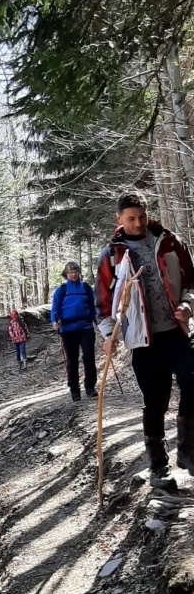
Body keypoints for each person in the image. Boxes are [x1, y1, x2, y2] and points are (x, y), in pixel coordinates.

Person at [95, 188, 194, 482]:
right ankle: (157, 465)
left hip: (176, 332)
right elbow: (102, 302)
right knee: (155, 399)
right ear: (119, 218)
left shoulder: (170, 243)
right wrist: (109, 333)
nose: (137, 223)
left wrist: (188, 305)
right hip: (142, 340)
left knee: (192, 381)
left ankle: (188, 451)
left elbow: (191, 281)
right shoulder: (113, 254)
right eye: (131, 219)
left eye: (142, 216)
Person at [51, 261, 98, 401]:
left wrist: (98, 322)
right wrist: (54, 321)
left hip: (86, 327)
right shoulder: (62, 290)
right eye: (71, 273)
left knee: (89, 357)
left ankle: (90, 387)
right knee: (72, 360)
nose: (74, 275)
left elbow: (92, 306)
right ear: (66, 274)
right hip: (67, 329)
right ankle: (74, 390)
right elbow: (55, 308)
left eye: (76, 272)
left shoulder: (86, 287)